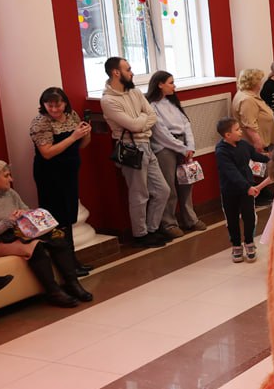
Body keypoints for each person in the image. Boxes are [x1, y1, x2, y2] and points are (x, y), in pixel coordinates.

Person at [0, 158, 92, 307]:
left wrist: (25, 213)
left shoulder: (10, 193)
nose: (11, 179)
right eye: (6, 176)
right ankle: (53, 291)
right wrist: (7, 222)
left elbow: (26, 209)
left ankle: (72, 283)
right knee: (35, 246)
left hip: (17, 234)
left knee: (58, 239)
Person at [100, 56, 170, 248]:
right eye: (128, 69)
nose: (132, 73)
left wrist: (139, 122)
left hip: (146, 144)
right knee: (139, 194)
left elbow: (152, 115)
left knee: (162, 190)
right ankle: (140, 234)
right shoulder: (107, 100)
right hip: (131, 149)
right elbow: (131, 125)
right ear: (116, 72)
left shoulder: (136, 92)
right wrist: (140, 120)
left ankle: (152, 229)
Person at [29, 87, 93, 275]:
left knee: (69, 217)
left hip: (69, 173)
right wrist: (73, 136)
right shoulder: (40, 123)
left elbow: (81, 145)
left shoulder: (71, 115)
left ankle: (73, 260)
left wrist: (85, 133)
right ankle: (65, 265)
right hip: (50, 175)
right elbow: (47, 153)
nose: (55, 110)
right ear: (43, 105)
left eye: (58, 105)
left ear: (65, 104)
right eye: (50, 106)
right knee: (57, 218)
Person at [146, 71, 206, 237]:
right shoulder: (152, 106)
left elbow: (186, 124)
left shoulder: (172, 102)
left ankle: (190, 219)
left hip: (182, 145)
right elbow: (161, 133)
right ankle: (169, 223)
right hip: (164, 148)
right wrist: (182, 148)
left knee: (186, 183)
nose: (174, 86)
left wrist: (190, 146)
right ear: (160, 84)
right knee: (169, 186)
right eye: (171, 82)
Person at [214, 117, 269, 264]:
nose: (240, 132)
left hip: (247, 190)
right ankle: (236, 245)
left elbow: (256, 156)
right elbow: (231, 173)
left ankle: (249, 243)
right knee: (232, 219)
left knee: (249, 216)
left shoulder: (243, 145)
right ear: (227, 135)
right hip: (230, 191)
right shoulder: (221, 152)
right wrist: (247, 187)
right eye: (237, 130)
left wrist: (272, 158)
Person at [233, 68, 274, 154]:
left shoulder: (248, 94)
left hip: (264, 142)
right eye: (260, 80)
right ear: (254, 82)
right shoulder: (247, 100)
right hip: (258, 146)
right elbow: (250, 125)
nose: (261, 82)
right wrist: (258, 143)